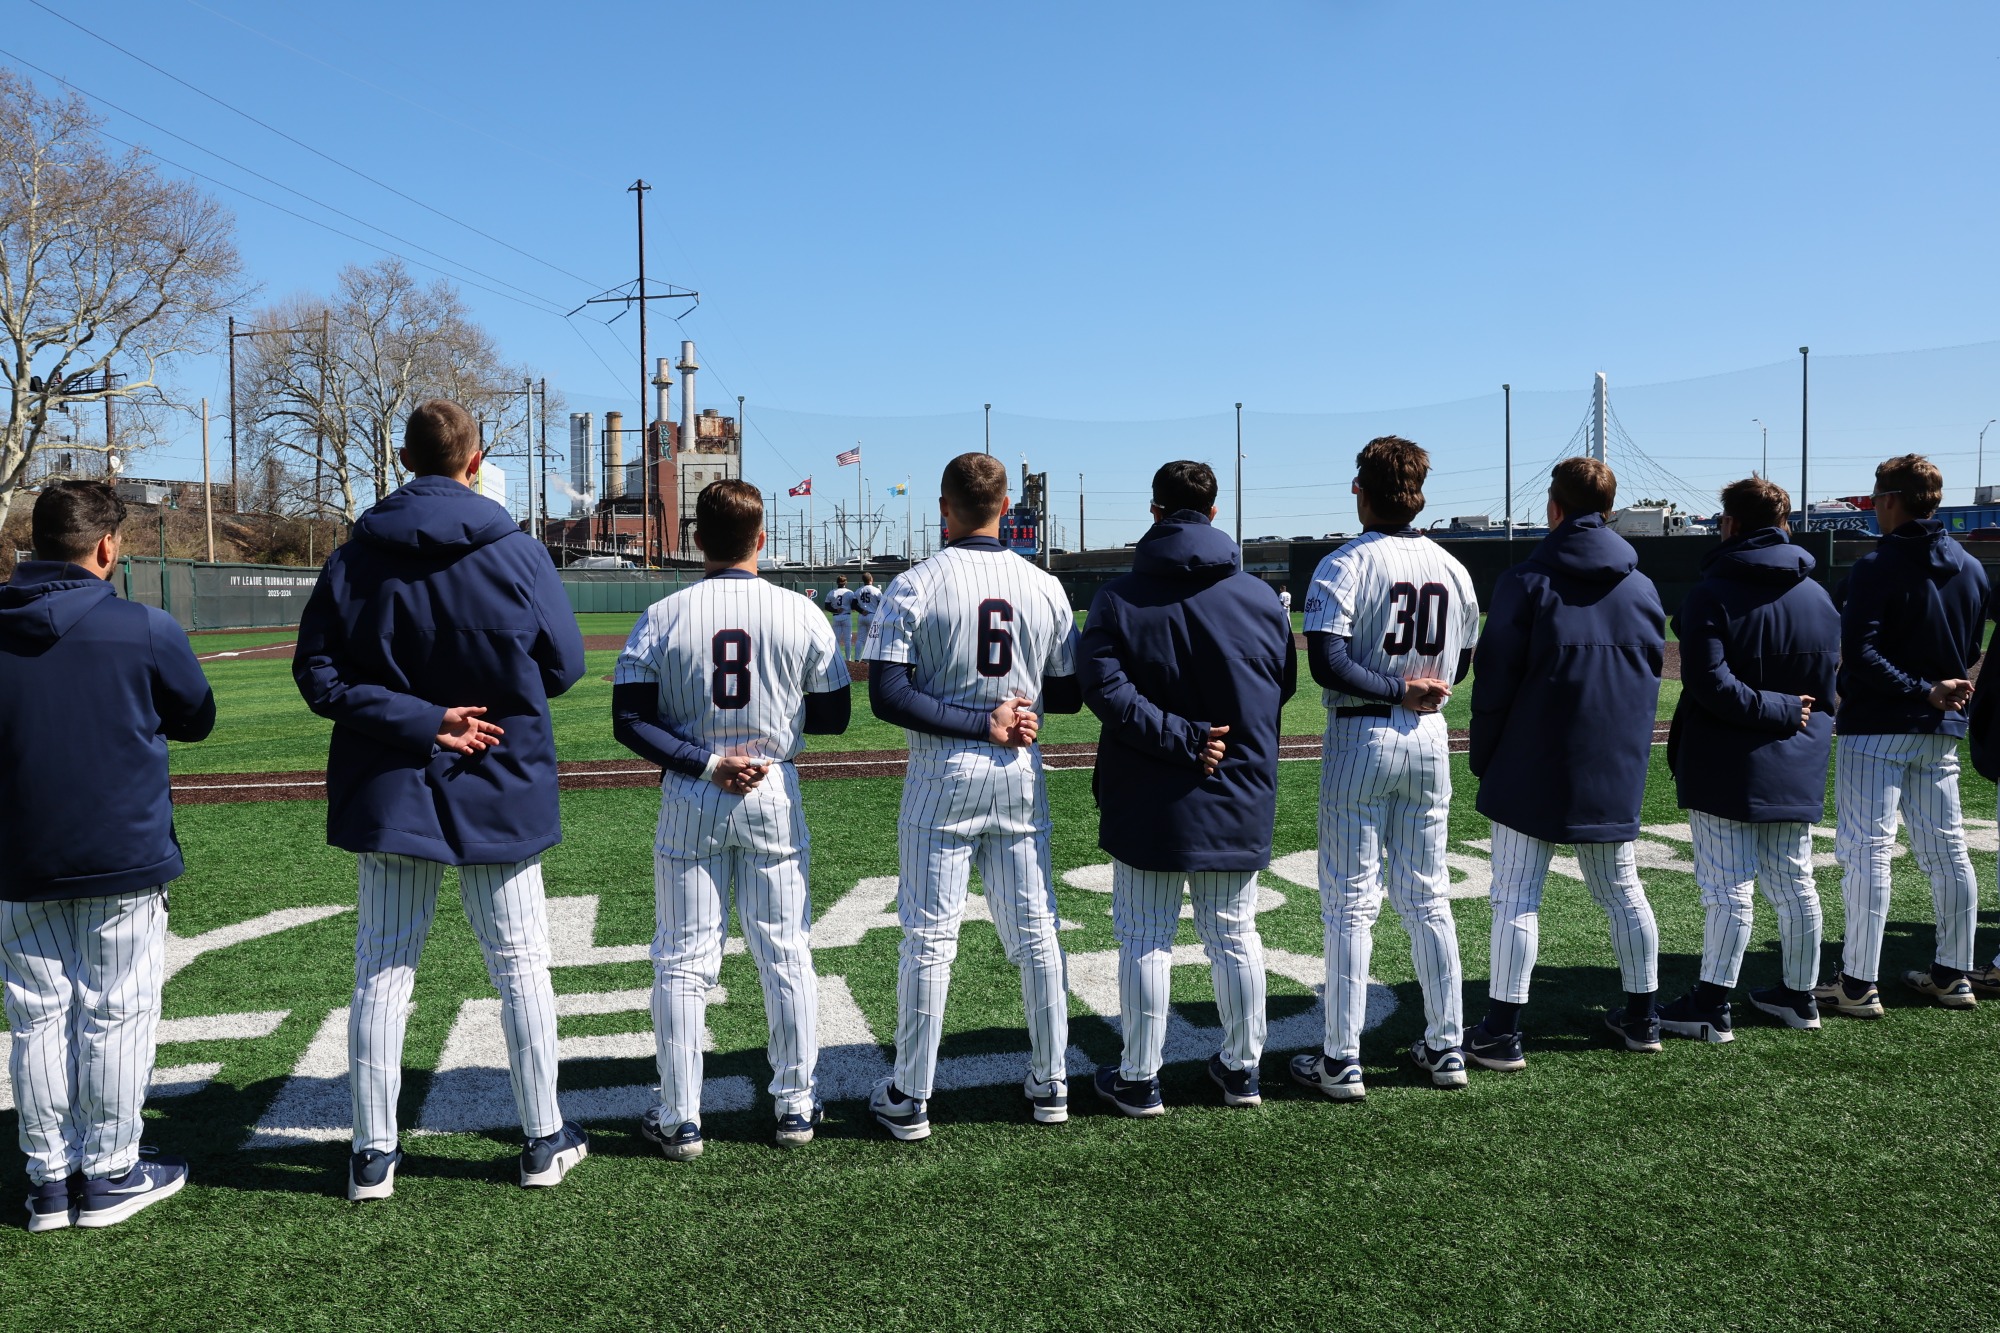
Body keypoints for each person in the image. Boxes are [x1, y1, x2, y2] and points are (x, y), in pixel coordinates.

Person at [294, 399, 589, 1202]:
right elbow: (563, 669)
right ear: (476, 457)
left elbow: (318, 676)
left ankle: (373, 1156)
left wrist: (421, 720)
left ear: (401, 457)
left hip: (393, 777)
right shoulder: (518, 550)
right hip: (498, 770)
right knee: (522, 966)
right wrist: (453, 711)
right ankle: (541, 1140)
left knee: (383, 970)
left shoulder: (355, 555)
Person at [611, 480, 851, 1160]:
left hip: (693, 790)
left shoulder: (663, 613)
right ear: (762, 537)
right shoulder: (802, 613)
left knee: (684, 961)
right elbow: (833, 716)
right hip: (773, 786)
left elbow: (629, 720)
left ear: (696, 538)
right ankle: (796, 1107)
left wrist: (708, 759)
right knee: (786, 953)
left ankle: (681, 1118)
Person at [0, 482, 215, 1232]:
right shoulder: (143, 626)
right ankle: (112, 1170)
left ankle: (49, 1182)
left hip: (20, 855)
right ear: (105, 547)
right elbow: (198, 717)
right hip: (123, 853)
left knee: (35, 1018)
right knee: (116, 1014)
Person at [862, 452, 1082, 1140]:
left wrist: (974, 716)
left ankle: (912, 1095)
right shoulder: (1043, 585)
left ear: (943, 506)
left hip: (943, 773)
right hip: (1018, 768)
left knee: (929, 940)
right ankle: (1052, 1081)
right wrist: (1016, 709)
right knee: (1036, 932)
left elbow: (888, 695)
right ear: (1007, 504)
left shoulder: (915, 583)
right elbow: (1070, 693)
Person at [1078, 461, 1297, 1115]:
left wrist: (1181, 735)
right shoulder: (1260, 597)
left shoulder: (1117, 598)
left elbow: (1103, 691)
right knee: (1233, 932)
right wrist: (1204, 736)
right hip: (1237, 783)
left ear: (1154, 511)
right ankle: (1243, 1071)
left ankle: (1141, 1079)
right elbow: (1281, 685)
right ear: (1214, 511)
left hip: (1149, 788)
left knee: (1146, 936)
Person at [1294, 437, 1481, 1102]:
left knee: (1350, 904)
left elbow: (1326, 663)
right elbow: (1459, 666)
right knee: (1427, 896)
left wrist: (1395, 688)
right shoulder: (1453, 568)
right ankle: (1447, 1044)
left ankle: (1342, 1059)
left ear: (1360, 490)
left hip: (1362, 733)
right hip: (1430, 738)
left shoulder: (1343, 563)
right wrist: (1414, 689)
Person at [1467, 456, 1666, 1065]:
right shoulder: (1642, 586)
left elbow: (1493, 681)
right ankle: (1643, 1017)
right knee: (1623, 891)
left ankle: (1502, 1031)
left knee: (1516, 896)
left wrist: (1485, 756)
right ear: (1608, 509)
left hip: (1533, 762)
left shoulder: (1525, 582)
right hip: (1614, 763)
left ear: (1554, 508)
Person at [1663, 477, 1838, 1038]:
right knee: (1794, 881)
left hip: (1727, 760)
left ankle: (1712, 1005)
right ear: (1783, 523)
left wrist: (1778, 709)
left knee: (1728, 887)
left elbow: (1710, 685)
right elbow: (1831, 687)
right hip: (1799, 754)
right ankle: (1800, 995)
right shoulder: (1818, 595)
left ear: (1732, 524)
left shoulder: (1713, 590)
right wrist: (1790, 713)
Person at [1819, 454, 1987, 1017]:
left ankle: (1858, 982)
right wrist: (1943, 688)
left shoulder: (1877, 566)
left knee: (1867, 851)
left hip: (1881, 725)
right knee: (1948, 852)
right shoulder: (1970, 566)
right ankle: (1953, 974)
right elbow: (1972, 650)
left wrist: (1921, 689)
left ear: (1890, 500)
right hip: (1941, 729)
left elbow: (1861, 654)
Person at [826, 575, 855, 662]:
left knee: (836, 640)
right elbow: (853, 605)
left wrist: (835, 609)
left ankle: (836, 659)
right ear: (845, 582)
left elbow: (826, 606)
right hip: (846, 616)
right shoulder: (850, 592)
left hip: (836, 617)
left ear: (837, 582)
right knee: (847, 640)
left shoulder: (832, 592)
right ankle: (848, 659)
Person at [854, 571, 883, 649]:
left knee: (860, 639)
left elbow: (853, 604)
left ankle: (857, 659)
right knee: (874, 639)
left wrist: (861, 611)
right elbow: (881, 604)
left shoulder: (858, 590)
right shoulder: (876, 590)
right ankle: (871, 659)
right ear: (871, 579)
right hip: (873, 616)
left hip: (862, 616)